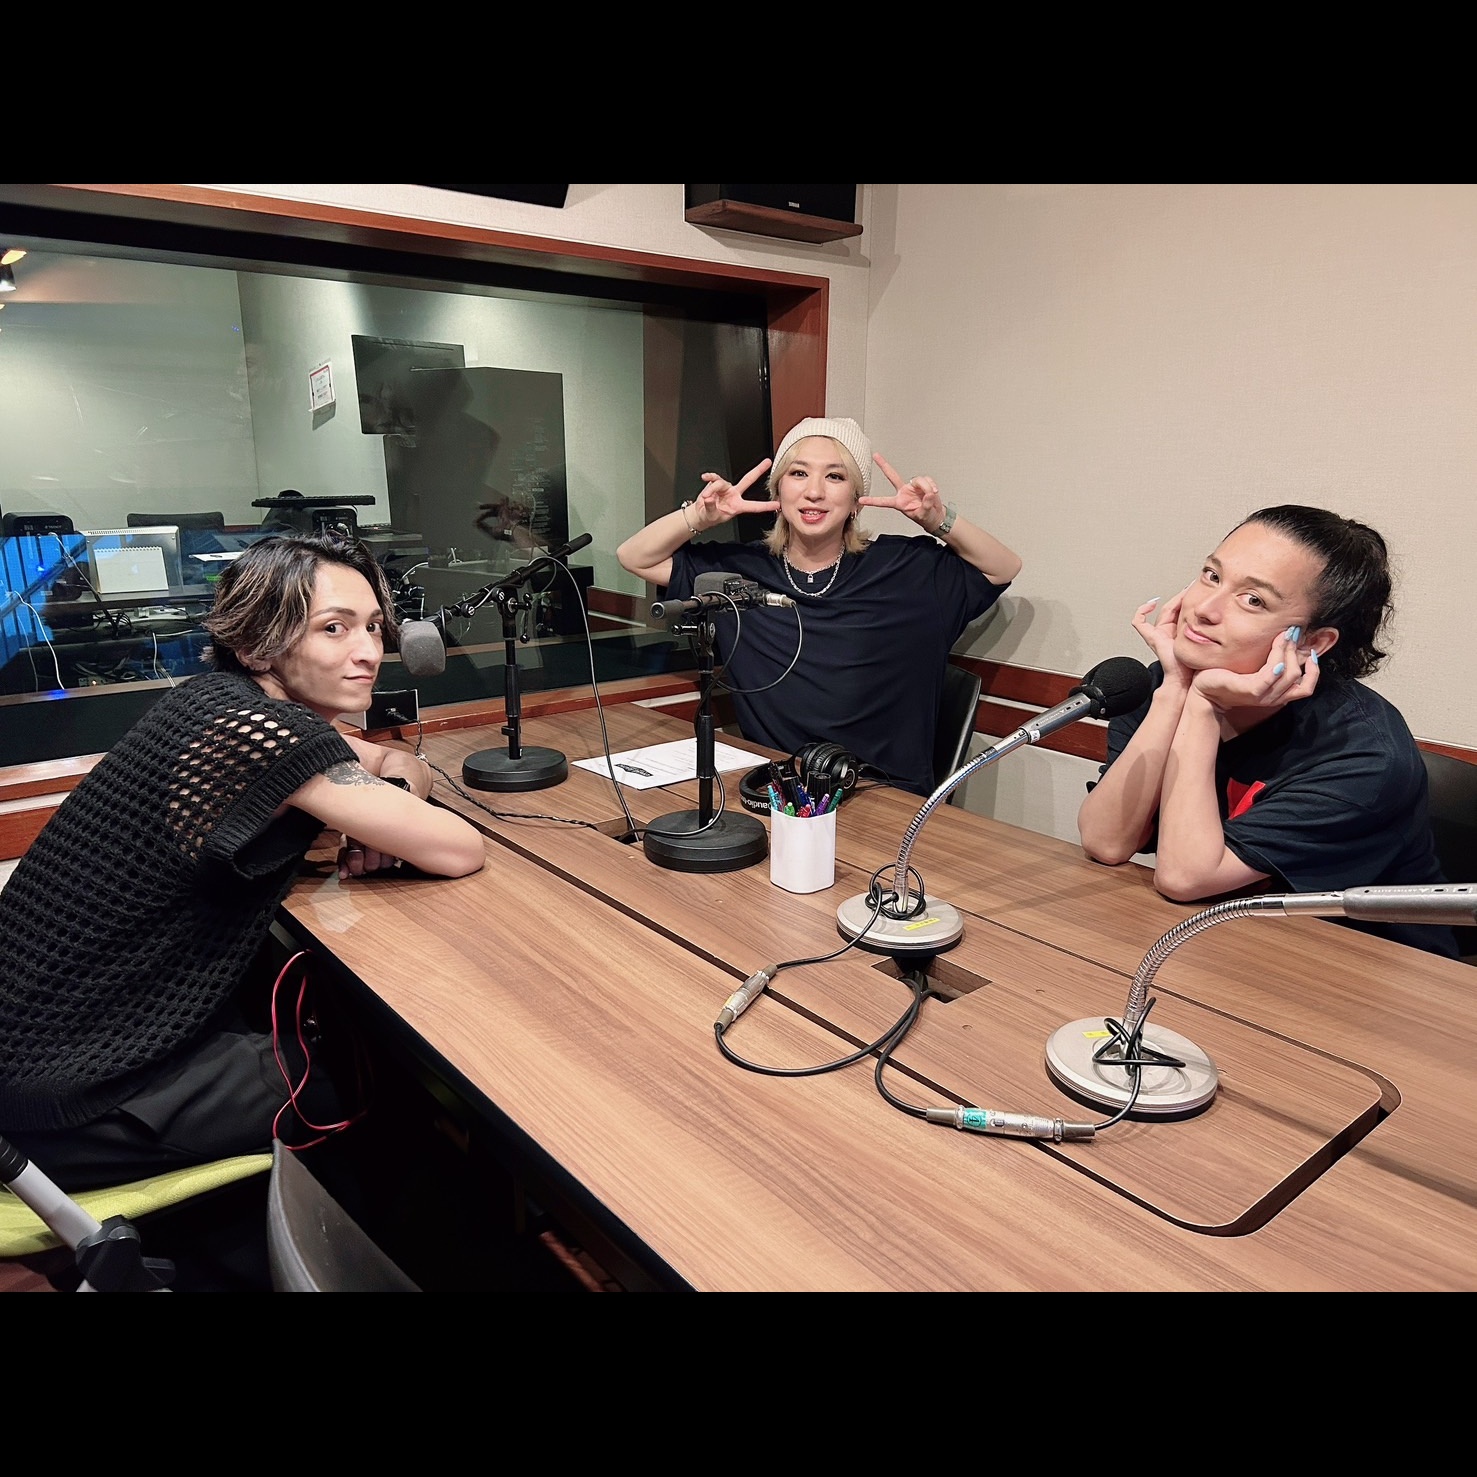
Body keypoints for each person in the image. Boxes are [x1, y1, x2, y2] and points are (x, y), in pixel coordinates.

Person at [0, 532, 487, 1205]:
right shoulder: (259, 733)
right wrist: (383, 812)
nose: (369, 650)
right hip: (69, 1097)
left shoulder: (217, 701)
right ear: (258, 646)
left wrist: (388, 799)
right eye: (335, 628)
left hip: (47, 1045)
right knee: (376, 1073)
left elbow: (388, 758)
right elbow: (460, 849)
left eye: (374, 626)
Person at [1077, 504, 1457, 957]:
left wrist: (1203, 706)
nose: (1204, 610)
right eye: (1212, 576)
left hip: (1369, 968)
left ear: (1312, 642)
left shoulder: (1363, 755)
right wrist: (1175, 689)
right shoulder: (1163, 685)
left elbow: (1184, 879)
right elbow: (1106, 841)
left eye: (1253, 600)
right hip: (1225, 945)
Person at [616, 417, 1022, 796]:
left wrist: (937, 519)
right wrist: (700, 516)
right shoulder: (736, 572)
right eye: (798, 473)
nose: (814, 491)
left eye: (835, 476)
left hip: (884, 796)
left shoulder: (908, 568)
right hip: (777, 791)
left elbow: (1003, 567)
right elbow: (635, 557)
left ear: (856, 499)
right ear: (778, 491)